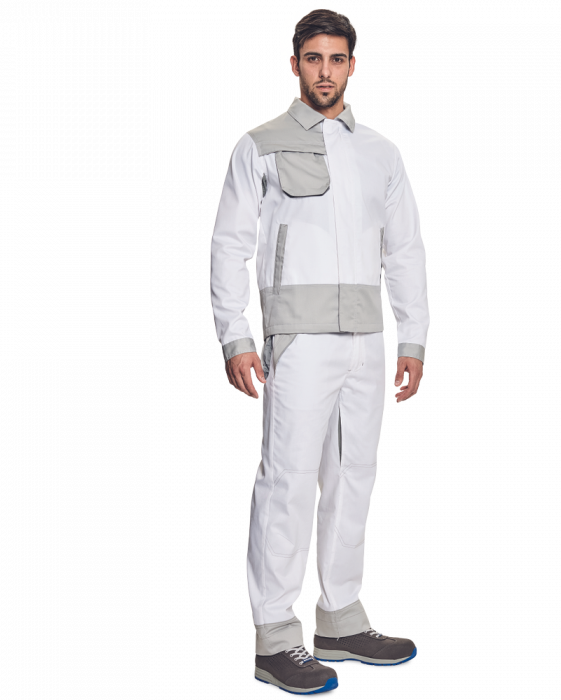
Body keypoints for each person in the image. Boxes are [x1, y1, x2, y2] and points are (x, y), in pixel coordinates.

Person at [209, 7, 429, 697]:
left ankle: (339, 618)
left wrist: (413, 337)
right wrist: (235, 334)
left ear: (353, 65)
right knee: (287, 481)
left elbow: (405, 249)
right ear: (294, 63)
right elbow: (229, 243)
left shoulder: (381, 152)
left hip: (367, 342)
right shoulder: (259, 144)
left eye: (338, 58)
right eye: (314, 58)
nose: (326, 71)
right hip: (297, 343)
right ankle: (276, 634)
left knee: (353, 477)